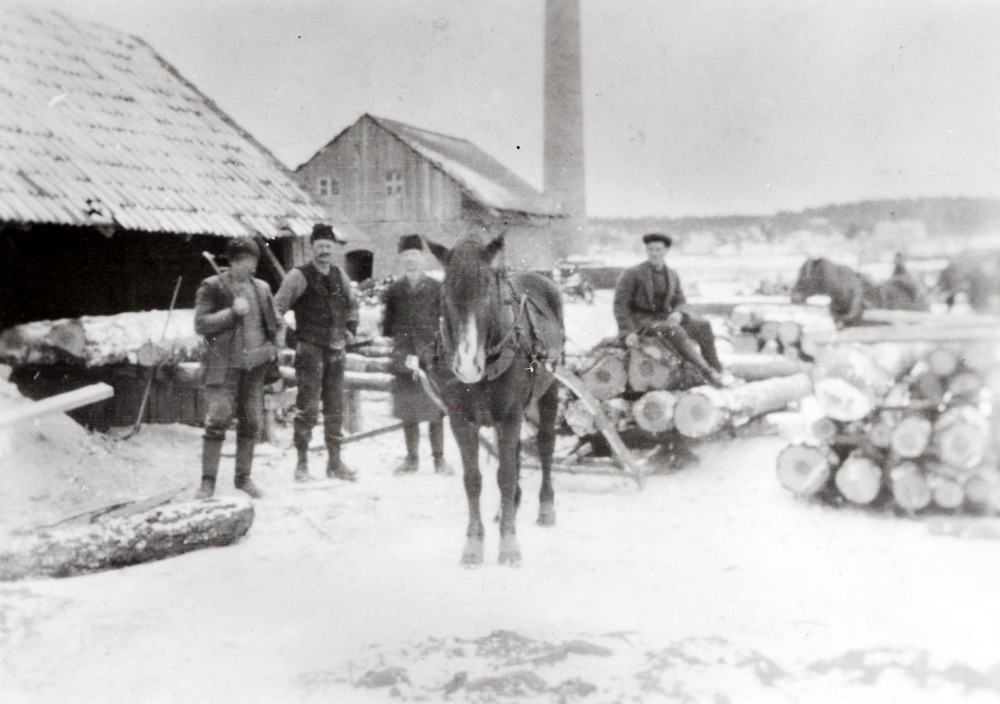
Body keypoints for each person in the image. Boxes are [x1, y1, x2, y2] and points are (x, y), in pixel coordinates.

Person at [193, 237, 282, 500]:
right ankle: (207, 482)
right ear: (231, 261)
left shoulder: (262, 288)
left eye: (253, 260)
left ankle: (243, 478)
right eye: (243, 260)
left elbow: (274, 321)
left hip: (255, 366)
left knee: (251, 422)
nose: (249, 266)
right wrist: (232, 312)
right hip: (224, 366)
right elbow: (201, 323)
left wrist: (276, 341)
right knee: (218, 421)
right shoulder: (213, 286)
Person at [274, 223, 360, 482]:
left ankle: (335, 463)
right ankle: (302, 465)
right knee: (308, 409)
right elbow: (276, 308)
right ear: (311, 248)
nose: (324, 251)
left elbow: (352, 305)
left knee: (335, 408)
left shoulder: (340, 275)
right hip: (310, 352)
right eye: (320, 246)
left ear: (334, 248)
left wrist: (350, 328)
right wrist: (292, 337)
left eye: (328, 246)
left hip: (336, 351)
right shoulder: (298, 276)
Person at [613, 232, 730, 387]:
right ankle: (707, 372)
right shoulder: (632, 273)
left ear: (666, 250)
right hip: (642, 323)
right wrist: (628, 332)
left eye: (658, 249)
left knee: (703, 326)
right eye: (650, 249)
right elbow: (620, 305)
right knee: (674, 329)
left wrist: (678, 312)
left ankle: (717, 369)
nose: (654, 253)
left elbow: (680, 300)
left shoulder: (672, 275)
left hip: (663, 321)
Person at [382, 234, 453, 475]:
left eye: (414, 254)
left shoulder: (436, 288)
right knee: (408, 412)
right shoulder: (394, 290)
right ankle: (411, 459)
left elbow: (447, 321)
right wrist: (400, 348)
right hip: (404, 357)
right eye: (405, 255)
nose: (410, 259)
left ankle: (439, 460)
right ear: (401, 259)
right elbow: (387, 326)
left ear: (423, 258)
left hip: (431, 358)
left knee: (436, 411)